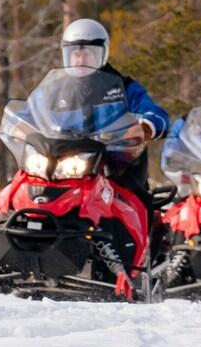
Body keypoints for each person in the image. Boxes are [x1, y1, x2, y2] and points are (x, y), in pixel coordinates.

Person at [58, 18, 170, 209]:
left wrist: (145, 127)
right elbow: (31, 112)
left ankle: (140, 235)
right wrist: (19, 126)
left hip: (116, 171)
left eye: (88, 54)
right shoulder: (57, 90)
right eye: (75, 54)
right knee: (20, 189)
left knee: (137, 204)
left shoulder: (124, 87)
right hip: (63, 169)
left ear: (102, 54)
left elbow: (155, 113)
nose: (81, 60)